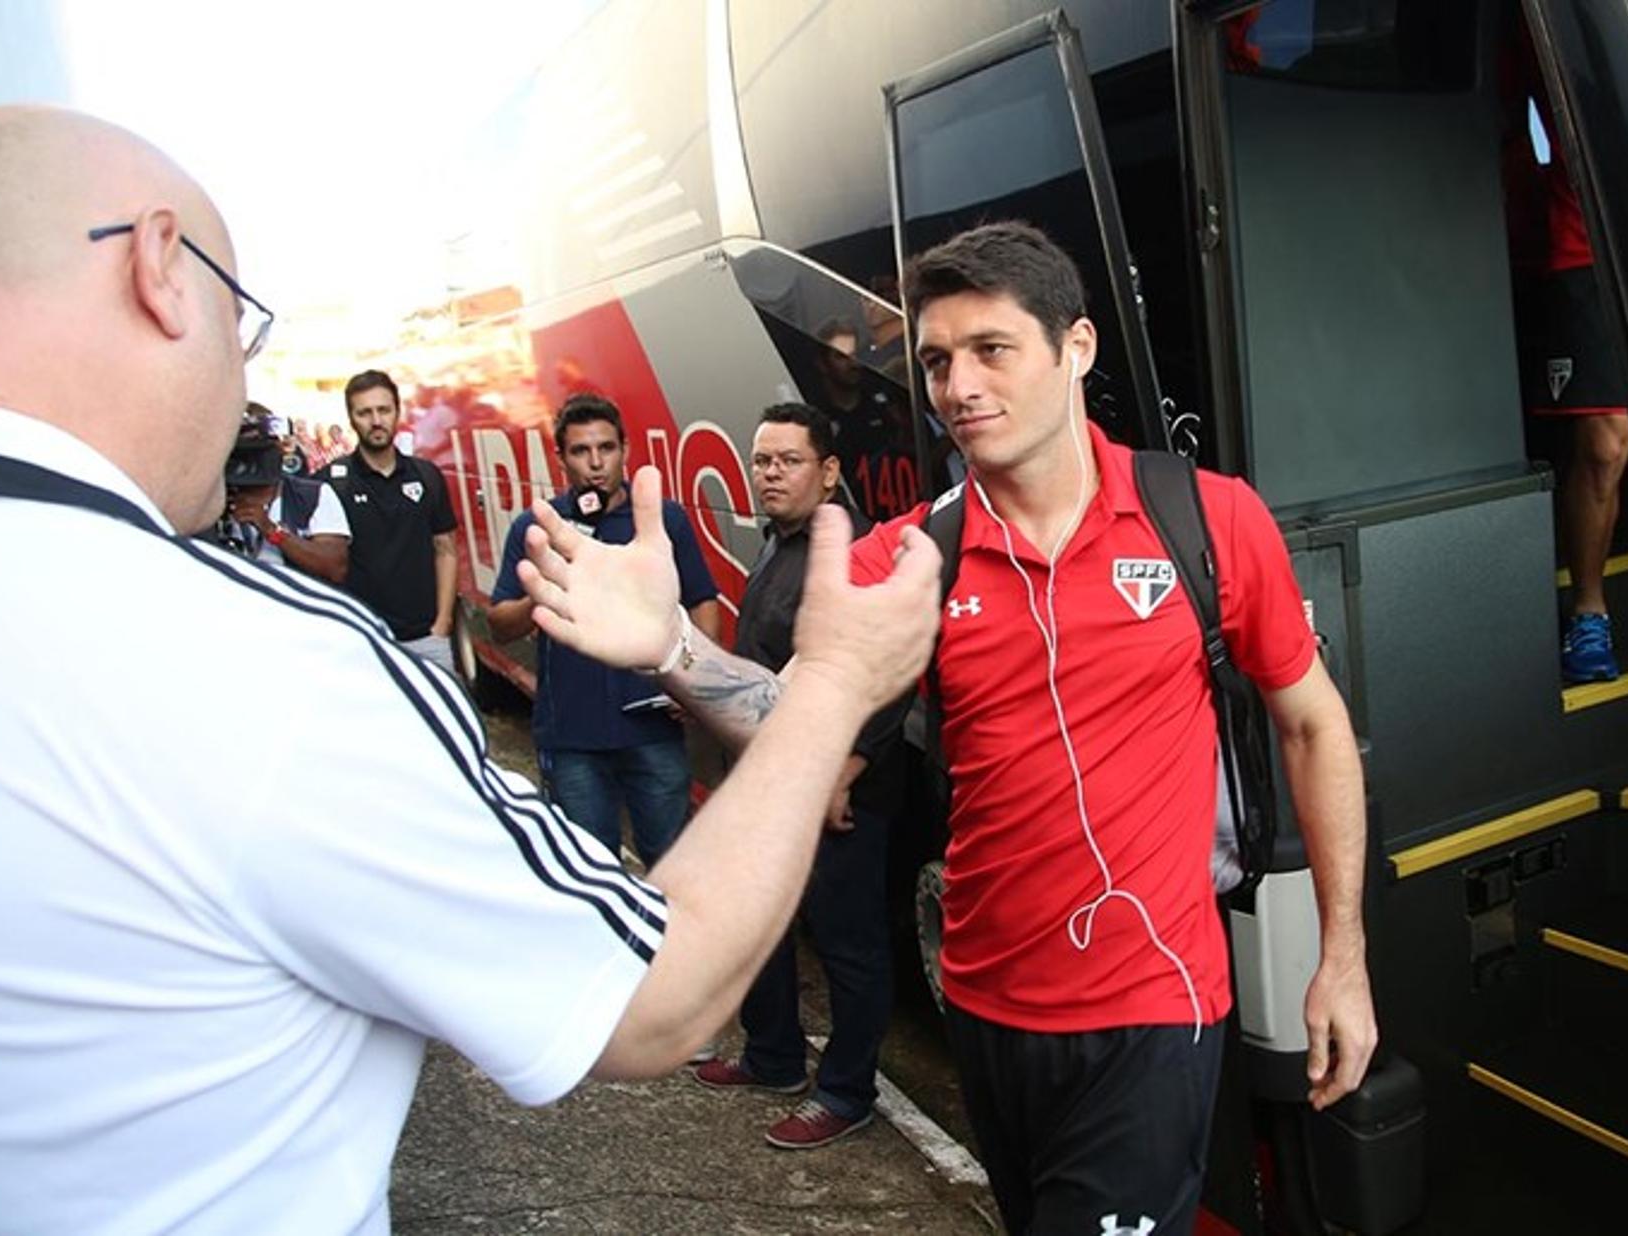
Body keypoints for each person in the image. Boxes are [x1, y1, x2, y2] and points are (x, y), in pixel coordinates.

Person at [0, 104, 940, 1235]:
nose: (242, 386)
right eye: (244, 325)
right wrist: (837, 685)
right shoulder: (269, 666)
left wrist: (673, 651)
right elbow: (649, 998)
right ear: (160, 270)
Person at [520, 221, 1378, 1232]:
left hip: (1154, 1008)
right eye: (935, 361)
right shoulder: (916, 554)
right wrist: (671, 644)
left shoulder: (1210, 521)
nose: (959, 386)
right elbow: (785, 716)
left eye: (992, 350)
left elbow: (1316, 726)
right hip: (984, 1006)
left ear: (1078, 349)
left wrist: (1344, 956)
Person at [694, 403, 904, 1150]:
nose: (769, 473)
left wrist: (849, 768)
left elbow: (893, 671)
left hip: (832, 792)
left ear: (830, 470)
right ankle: (774, 1056)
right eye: (761, 460)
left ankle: (847, 1093)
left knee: (849, 946)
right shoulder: (781, 544)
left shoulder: (851, 553)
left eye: (787, 460)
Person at [486, 394, 722, 869]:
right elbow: (499, 625)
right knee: (589, 869)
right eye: (580, 451)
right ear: (561, 458)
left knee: (673, 866)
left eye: (606, 448)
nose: (596, 463)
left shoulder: (662, 520)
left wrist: (695, 683)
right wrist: (550, 582)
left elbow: (702, 601)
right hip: (572, 738)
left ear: (625, 449)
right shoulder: (538, 527)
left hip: (652, 731)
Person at [1502, 14, 1628, 682]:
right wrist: (1524, 233)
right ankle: (1590, 612)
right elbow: (1502, 112)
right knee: (1605, 442)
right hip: (1580, 245)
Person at [324, 369, 458, 670]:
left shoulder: (427, 476)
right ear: (351, 418)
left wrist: (442, 624)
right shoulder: (330, 485)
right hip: (363, 643)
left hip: (427, 640)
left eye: (383, 410)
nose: (376, 421)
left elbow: (446, 549)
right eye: (365, 412)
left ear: (397, 412)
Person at [220, 409, 351, 585]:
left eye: (259, 452)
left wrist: (272, 531)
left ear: (279, 449)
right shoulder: (215, 498)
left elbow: (335, 568)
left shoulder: (314, 494)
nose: (252, 462)